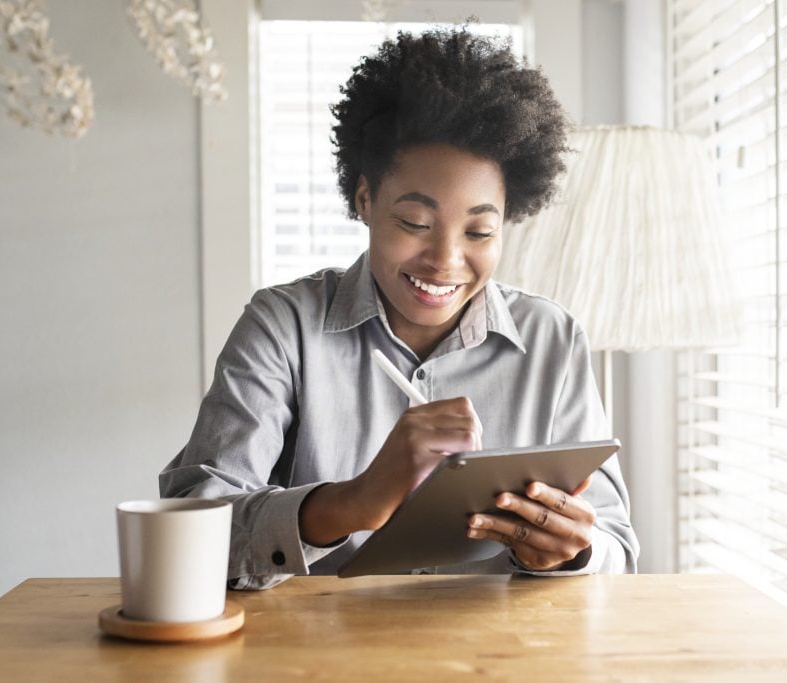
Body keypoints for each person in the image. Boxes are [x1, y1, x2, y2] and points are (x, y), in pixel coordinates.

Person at [160, 27, 639, 589]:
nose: (445, 260)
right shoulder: (283, 328)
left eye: (480, 230)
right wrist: (354, 501)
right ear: (365, 199)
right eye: (415, 223)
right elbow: (192, 532)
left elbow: (618, 551)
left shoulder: (552, 339)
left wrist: (572, 552)